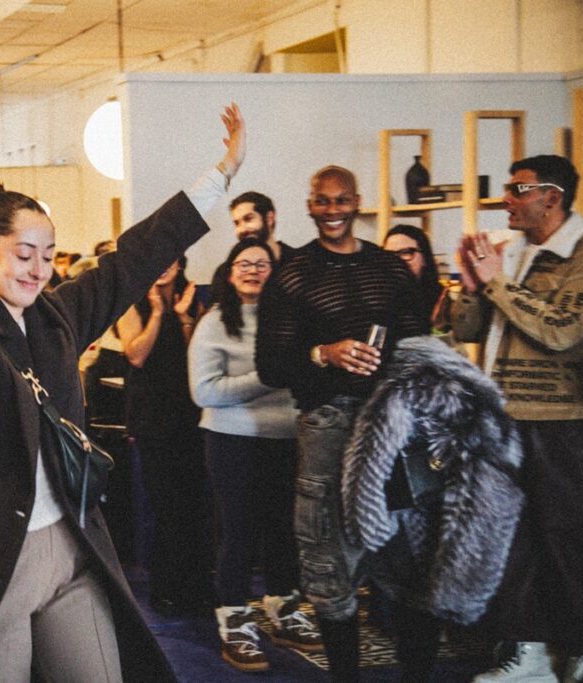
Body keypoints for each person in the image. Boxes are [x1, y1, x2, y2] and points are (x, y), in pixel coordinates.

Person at [0, 61, 244, 681]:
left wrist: (220, 176)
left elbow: (137, 255)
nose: (38, 269)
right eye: (24, 254)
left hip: (72, 551)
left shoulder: (59, 316)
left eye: (49, 255)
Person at [255, 165, 431, 681]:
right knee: (329, 559)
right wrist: (324, 353)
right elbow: (270, 364)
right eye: (322, 201)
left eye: (341, 200)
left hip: (389, 425)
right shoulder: (292, 274)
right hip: (326, 425)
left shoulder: (388, 269)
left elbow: (419, 343)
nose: (332, 210)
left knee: (408, 551)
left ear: (358, 203)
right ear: (310, 206)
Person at [449, 155, 583, 680]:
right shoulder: (510, 255)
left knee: (569, 540)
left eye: (519, 189)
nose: (507, 199)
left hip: (565, 423)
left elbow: (561, 329)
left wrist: (495, 284)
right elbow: (468, 329)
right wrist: (471, 285)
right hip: (502, 417)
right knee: (510, 540)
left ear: (552, 197)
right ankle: (526, 651)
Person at [188, 238, 320, 672]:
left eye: (263, 264)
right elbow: (203, 392)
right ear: (229, 273)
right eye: (243, 263)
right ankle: (236, 621)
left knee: (284, 530)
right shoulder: (214, 324)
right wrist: (267, 377)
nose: (252, 269)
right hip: (232, 439)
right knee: (238, 534)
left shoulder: (291, 321)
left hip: (286, 437)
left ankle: (284, 608)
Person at [116, 255, 215, 618]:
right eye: (159, 259)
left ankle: (198, 587)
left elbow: (196, 359)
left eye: (171, 261)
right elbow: (136, 355)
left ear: (181, 263)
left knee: (196, 506)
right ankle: (166, 590)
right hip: (153, 419)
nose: (163, 266)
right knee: (166, 508)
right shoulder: (133, 301)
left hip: (190, 414)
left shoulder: (191, 296)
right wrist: (158, 313)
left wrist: (186, 317)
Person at [383, 224, 443, 323]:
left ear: (425, 258)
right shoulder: (377, 299)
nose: (398, 260)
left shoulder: (440, 300)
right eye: (389, 254)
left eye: (406, 252)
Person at [229, 190, 295, 262]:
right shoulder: (229, 270)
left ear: (269, 219)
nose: (242, 230)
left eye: (248, 219)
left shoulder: (298, 261)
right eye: (237, 223)